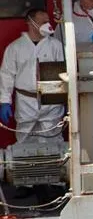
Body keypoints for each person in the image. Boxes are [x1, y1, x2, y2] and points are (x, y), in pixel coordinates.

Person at [0, 8, 64, 143]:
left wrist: (66, 98)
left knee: (53, 138)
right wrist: (5, 101)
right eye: (42, 22)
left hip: (51, 101)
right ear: (30, 23)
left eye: (48, 21)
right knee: (24, 140)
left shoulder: (56, 46)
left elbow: (64, 73)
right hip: (25, 101)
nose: (47, 25)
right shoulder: (15, 47)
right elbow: (7, 75)